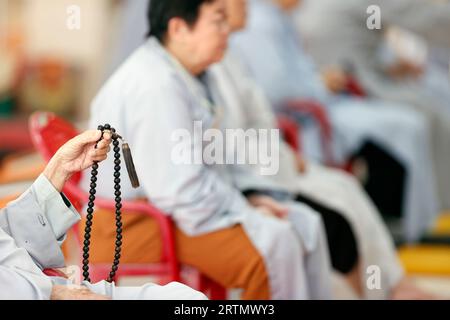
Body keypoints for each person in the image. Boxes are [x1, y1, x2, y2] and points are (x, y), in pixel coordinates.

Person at [84, 0, 334, 300]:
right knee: (273, 247)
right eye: (218, 21)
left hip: (175, 206)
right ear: (178, 28)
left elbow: (211, 162)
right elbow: (179, 189)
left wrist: (250, 199)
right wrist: (243, 210)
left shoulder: (194, 73)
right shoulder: (155, 85)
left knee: (305, 223)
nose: (228, 31)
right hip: (133, 223)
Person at [230, 0, 439, 242]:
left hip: (314, 111)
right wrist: (321, 84)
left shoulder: (278, 20)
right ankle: (408, 227)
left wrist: (322, 80)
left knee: (347, 188)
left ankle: (412, 222)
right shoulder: (260, 24)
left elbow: (292, 77)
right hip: (303, 121)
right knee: (402, 130)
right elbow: (278, 90)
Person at [0, 129, 207, 300]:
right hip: (39, 292)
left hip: (44, 285)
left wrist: (59, 168)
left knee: (187, 299)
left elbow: (11, 247)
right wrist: (57, 293)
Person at [297, 0, 450, 210]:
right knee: (434, 114)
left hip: (352, 77)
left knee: (432, 97)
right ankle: (440, 209)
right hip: (354, 85)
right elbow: (427, 20)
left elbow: (372, 26)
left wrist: (388, 65)